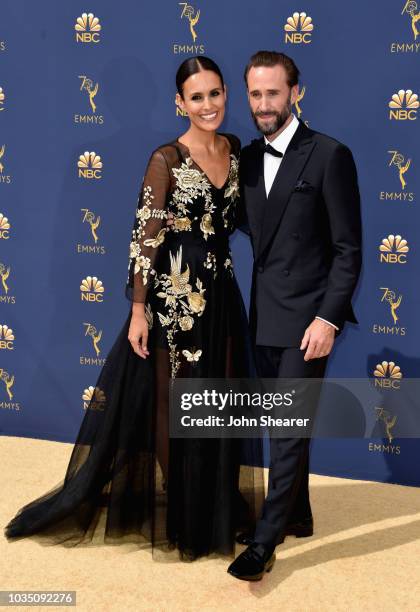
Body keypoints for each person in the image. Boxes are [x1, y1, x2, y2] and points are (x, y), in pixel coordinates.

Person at [4, 56, 264, 561]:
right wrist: (139, 311)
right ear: (179, 103)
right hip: (174, 301)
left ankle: (215, 506)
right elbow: (144, 240)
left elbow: (242, 220)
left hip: (222, 297)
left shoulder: (234, 152)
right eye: (196, 97)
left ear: (226, 94)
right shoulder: (164, 159)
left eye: (215, 93)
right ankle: (189, 517)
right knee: (175, 407)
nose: (207, 105)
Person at [226, 51, 362, 581]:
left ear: (295, 92)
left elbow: (349, 249)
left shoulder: (329, 155)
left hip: (307, 323)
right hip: (264, 316)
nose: (263, 105)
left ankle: (264, 543)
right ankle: (297, 514)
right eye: (255, 95)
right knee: (285, 427)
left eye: (273, 93)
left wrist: (327, 320)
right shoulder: (247, 160)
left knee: (285, 430)